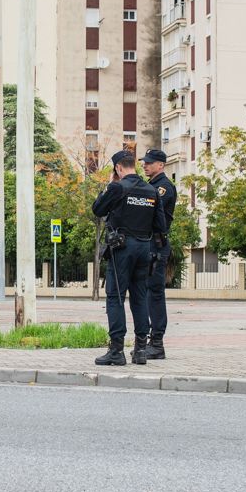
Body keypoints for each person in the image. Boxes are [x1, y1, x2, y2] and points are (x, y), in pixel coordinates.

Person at [91, 149, 165, 366]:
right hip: (145, 248)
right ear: (133, 164)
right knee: (139, 297)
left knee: (115, 297)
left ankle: (116, 351)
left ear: (118, 168)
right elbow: (160, 225)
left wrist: (109, 185)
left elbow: (97, 209)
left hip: (122, 249)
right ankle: (141, 350)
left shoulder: (117, 187)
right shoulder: (152, 190)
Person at [142, 148, 177, 360]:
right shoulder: (150, 186)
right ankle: (148, 339)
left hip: (156, 245)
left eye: (149, 162)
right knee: (146, 293)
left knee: (154, 293)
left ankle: (157, 342)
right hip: (148, 245)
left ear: (161, 165)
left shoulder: (164, 187)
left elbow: (149, 213)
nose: (145, 165)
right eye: (145, 162)